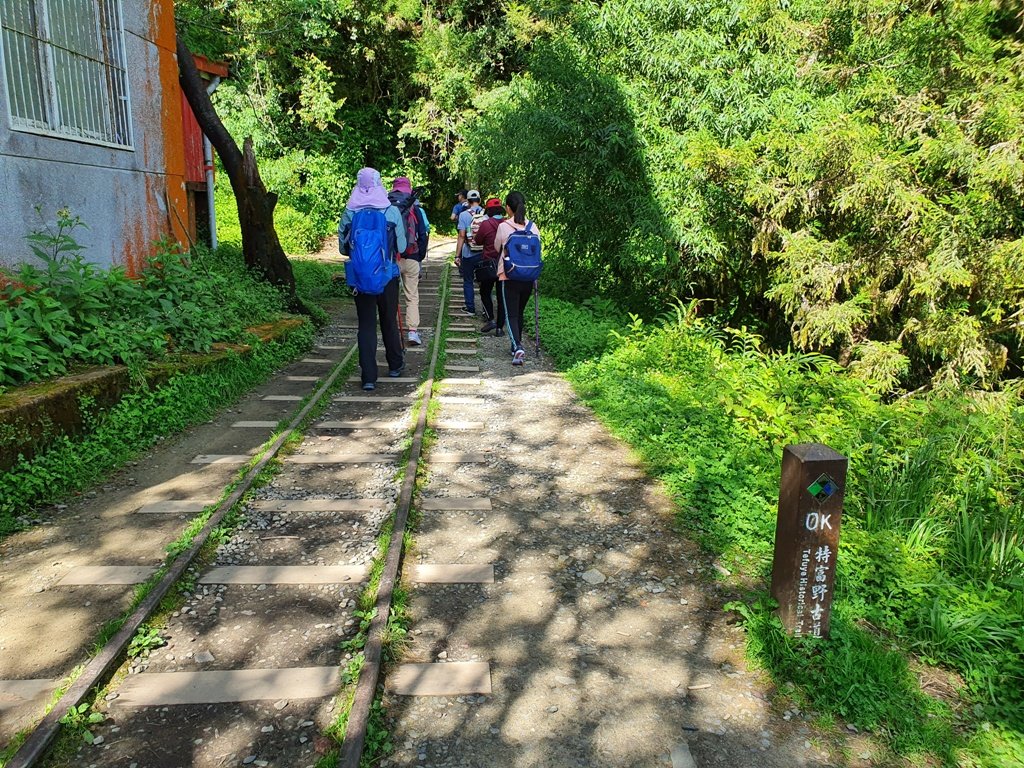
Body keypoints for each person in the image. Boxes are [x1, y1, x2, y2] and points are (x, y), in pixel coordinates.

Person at [339, 168, 407, 390]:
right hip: (387, 276)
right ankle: (395, 364)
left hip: (361, 278)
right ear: (379, 183)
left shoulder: (350, 212)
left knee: (366, 325)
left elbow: (343, 248)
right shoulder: (390, 211)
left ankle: (369, 377)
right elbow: (403, 246)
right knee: (388, 320)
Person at [494, 191, 539, 366]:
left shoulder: (504, 227)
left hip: (509, 275)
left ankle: (517, 345)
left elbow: (497, 246)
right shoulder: (533, 227)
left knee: (510, 313)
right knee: (519, 311)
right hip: (528, 277)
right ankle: (516, 345)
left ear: (507, 208)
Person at [388, 176, 428, 346]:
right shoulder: (416, 208)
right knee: (412, 296)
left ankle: (391, 330)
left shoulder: (387, 205)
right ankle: (412, 332)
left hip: (392, 258)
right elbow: (424, 233)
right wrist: (419, 256)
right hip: (411, 257)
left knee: (390, 296)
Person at [473, 197, 505, 335]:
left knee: (485, 292)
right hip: (504, 264)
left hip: (488, 264)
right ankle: (500, 327)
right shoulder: (508, 223)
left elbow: (478, 240)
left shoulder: (486, 224)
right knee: (501, 296)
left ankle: (490, 318)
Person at [454, 190, 483, 316]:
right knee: (484, 282)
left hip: (468, 252)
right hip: (484, 253)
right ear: (480, 200)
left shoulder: (464, 215)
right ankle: (485, 310)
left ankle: (470, 308)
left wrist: (457, 255)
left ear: (468, 200)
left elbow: (461, 236)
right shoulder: (486, 214)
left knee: (468, 280)